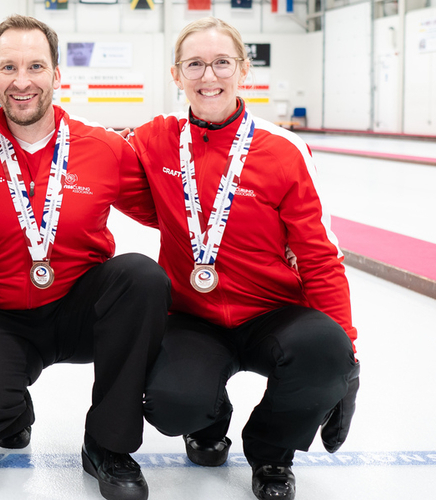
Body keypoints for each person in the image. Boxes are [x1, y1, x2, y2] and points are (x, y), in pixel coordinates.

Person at [0, 16, 170, 500]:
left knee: (141, 276)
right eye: (8, 67)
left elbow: (172, 216)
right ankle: (11, 413)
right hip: (4, 315)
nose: (22, 81)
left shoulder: (103, 148)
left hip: (84, 310)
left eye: (36, 66)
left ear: (58, 75)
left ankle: (107, 445)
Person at [127, 17, 360, 500]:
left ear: (243, 70)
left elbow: (319, 257)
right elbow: (88, 152)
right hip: (193, 317)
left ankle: (272, 453)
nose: (208, 76)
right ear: (176, 75)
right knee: (171, 404)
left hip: (274, 314)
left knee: (327, 349)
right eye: (194, 64)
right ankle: (208, 422)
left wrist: (349, 356)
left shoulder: (283, 151)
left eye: (221, 63)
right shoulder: (154, 140)